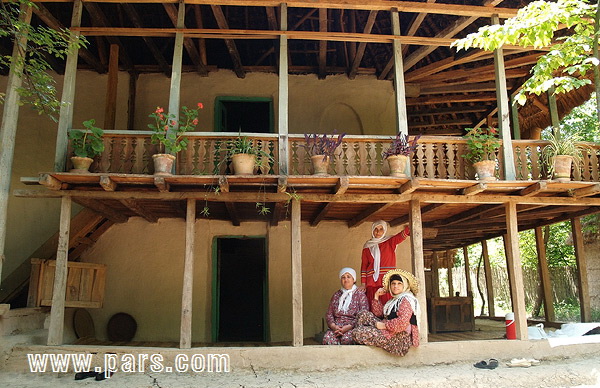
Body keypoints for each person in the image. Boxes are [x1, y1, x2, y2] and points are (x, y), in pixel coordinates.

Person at [352, 269, 420, 356]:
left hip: (399, 339)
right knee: (363, 314)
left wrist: (383, 326)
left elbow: (402, 322)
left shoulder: (406, 300)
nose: (396, 286)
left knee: (356, 333)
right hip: (389, 330)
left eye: (399, 284)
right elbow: (379, 314)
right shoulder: (394, 300)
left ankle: (363, 341)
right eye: (393, 283)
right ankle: (366, 338)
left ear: (405, 285)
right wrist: (376, 296)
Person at [361, 220, 410, 305]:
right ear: (372, 230)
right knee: (373, 307)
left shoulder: (390, 241)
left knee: (387, 307)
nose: (378, 232)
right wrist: (363, 283)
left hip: (386, 281)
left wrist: (410, 227)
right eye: (375, 229)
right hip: (371, 283)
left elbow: (400, 236)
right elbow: (364, 266)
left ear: (385, 231)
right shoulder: (367, 246)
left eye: (381, 229)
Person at [322, 267, 369, 345]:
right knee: (328, 338)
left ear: (354, 279)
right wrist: (334, 327)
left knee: (347, 340)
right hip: (336, 328)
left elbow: (363, 315)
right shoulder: (337, 295)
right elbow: (329, 314)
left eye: (348, 277)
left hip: (352, 327)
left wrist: (348, 327)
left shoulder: (360, 295)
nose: (346, 279)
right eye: (343, 277)